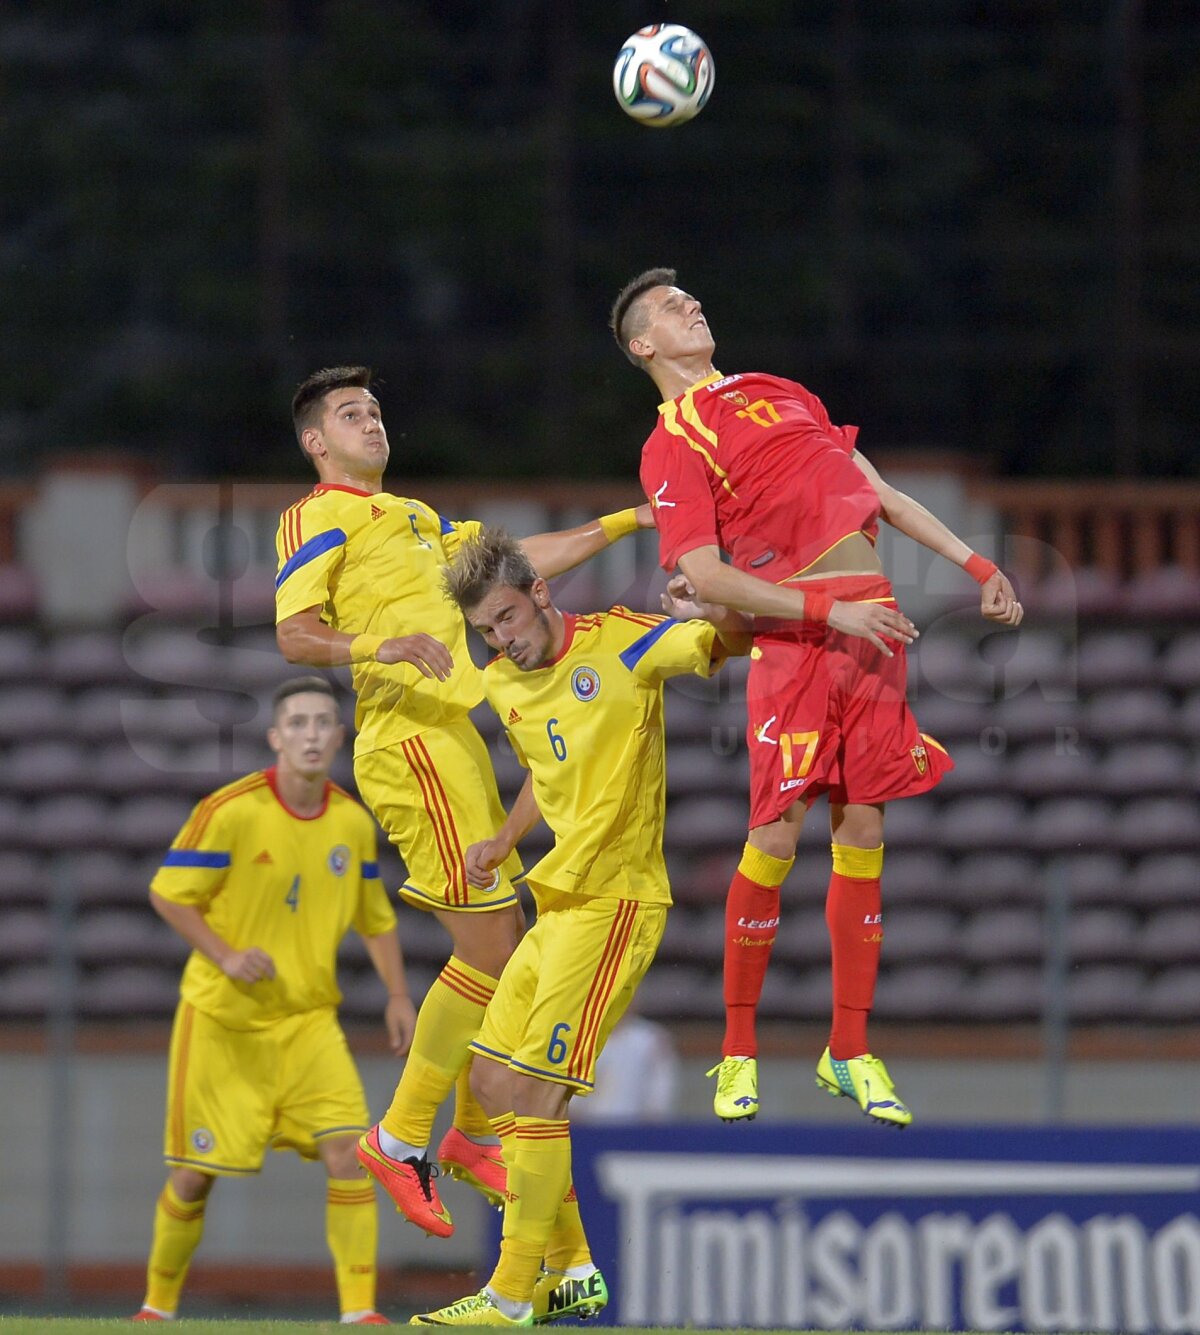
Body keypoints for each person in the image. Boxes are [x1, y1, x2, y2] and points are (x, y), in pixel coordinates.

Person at [610, 268, 1024, 1129]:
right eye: (670, 307)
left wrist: (978, 566)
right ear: (642, 345)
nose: (693, 304)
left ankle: (850, 1049)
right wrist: (824, 607)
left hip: (869, 628)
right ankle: (737, 1051)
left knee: (865, 828)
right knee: (774, 834)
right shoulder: (672, 440)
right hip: (802, 638)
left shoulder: (780, 390)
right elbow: (702, 572)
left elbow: (878, 490)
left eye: (694, 296)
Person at [275, 366, 651, 1237]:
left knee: (504, 944)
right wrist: (383, 641)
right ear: (315, 442)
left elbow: (519, 564)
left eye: (374, 408)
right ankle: (404, 1137)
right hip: (408, 739)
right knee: (491, 946)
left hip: (455, 740)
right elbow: (293, 633)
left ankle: (468, 1135)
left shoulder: (415, 521)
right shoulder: (317, 512)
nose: (370, 421)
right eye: (348, 414)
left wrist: (635, 519)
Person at [407, 527, 748, 1327]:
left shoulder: (626, 646)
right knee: (488, 1085)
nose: (500, 639)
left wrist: (714, 601)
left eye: (506, 619)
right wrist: (506, 837)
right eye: (486, 630)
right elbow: (543, 763)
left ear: (541, 595)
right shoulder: (505, 683)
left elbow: (727, 642)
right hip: (556, 903)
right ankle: (576, 1265)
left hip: (616, 901)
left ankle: (511, 1293)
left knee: (534, 1092)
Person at [133, 677, 414, 1325]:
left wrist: (398, 993)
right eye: (298, 723)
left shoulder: (351, 820)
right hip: (223, 1022)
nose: (312, 734)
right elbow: (168, 893)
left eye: (323, 722)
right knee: (193, 1175)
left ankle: (360, 1311)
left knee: (351, 1151)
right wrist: (226, 954)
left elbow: (376, 918)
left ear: (340, 737)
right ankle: (156, 1307)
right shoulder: (229, 809)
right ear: (275, 737)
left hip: (309, 1022)